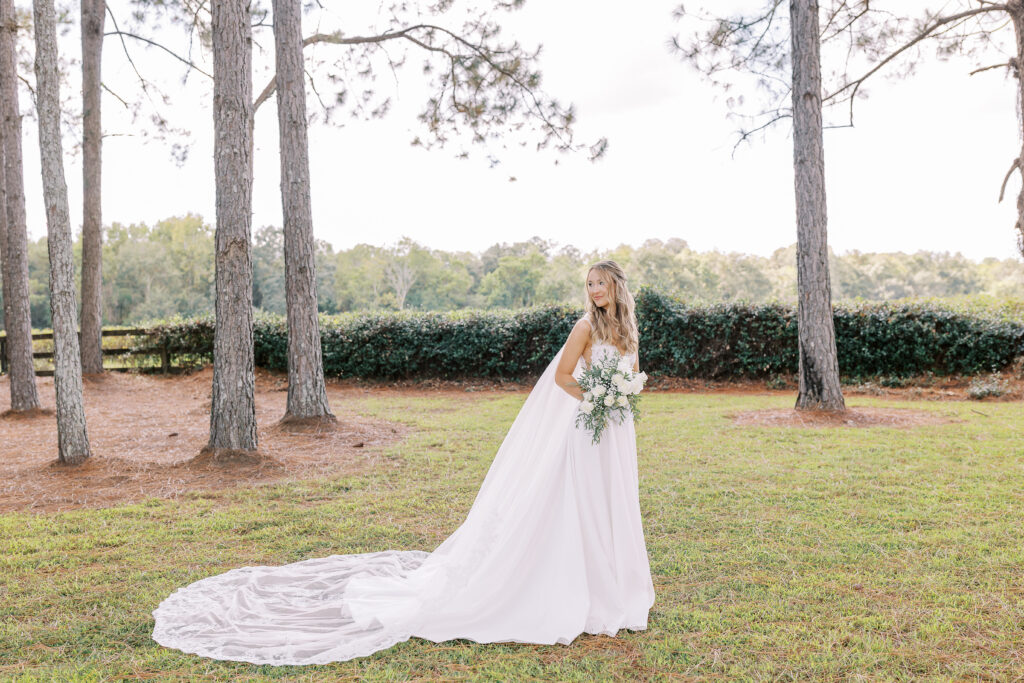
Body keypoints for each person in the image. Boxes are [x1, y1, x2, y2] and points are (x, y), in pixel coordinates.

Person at [152, 260, 655, 666]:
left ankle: (611, 585)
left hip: (615, 430)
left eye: (601, 284)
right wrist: (596, 395)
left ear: (617, 288)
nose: (594, 291)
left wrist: (620, 396)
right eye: (589, 284)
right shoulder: (583, 327)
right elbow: (562, 378)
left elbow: (631, 373)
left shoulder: (628, 329)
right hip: (587, 424)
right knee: (582, 506)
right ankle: (580, 590)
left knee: (612, 504)